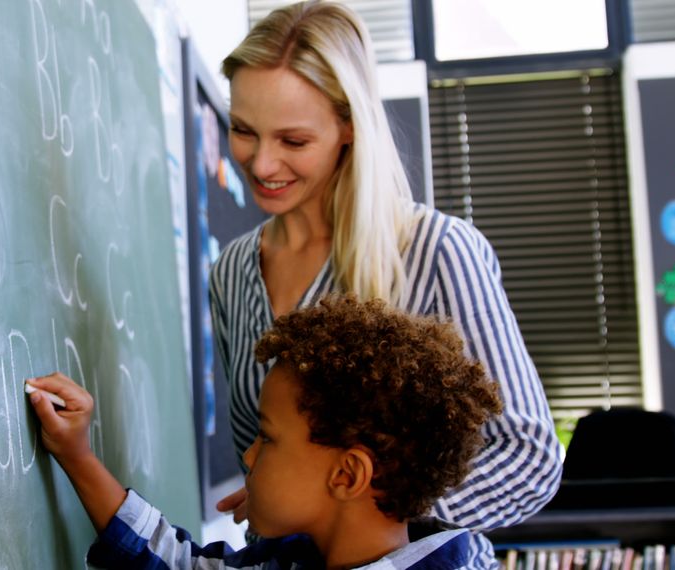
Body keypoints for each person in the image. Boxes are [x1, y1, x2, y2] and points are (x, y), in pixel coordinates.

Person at [207, 2, 562, 565]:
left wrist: (368, 524)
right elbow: (263, 457)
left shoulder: (437, 249)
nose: (262, 163)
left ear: (349, 126)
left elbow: (529, 458)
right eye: (244, 131)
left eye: (293, 141)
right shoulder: (230, 273)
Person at [26, 294, 503, 569]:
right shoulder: (303, 557)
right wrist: (77, 455)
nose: (249, 457)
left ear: (345, 476)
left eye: (268, 439)